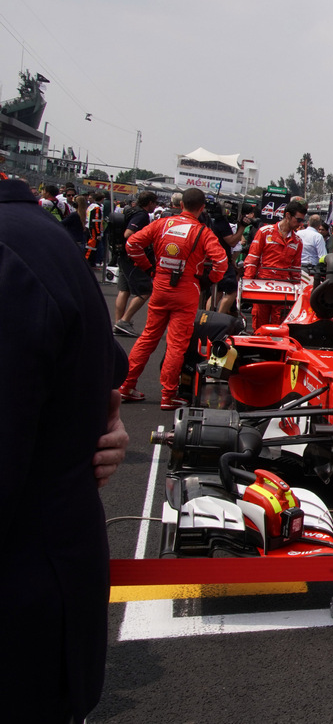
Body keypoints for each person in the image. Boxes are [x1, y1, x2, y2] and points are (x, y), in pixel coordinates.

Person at [0, 175, 129, 724]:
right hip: (49, 588)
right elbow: (109, 376)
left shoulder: (14, 248)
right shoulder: (45, 237)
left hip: (23, 600)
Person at [119, 187, 229, 409]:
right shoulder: (203, 231)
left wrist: (148, 267)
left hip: (160, 284)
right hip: (187, 289)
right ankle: (168, 396)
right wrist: (208, 279)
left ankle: (126, 386)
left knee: (148, 337)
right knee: (176, 345)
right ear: (202, 208)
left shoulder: (162, 224)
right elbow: (221, 262)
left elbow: (131, 244)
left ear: (180, 205)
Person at [243, 200, 306, 330]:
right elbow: (252, 259)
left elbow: (295, 269)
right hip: (262, 284)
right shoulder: (265, 232)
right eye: (298, 220)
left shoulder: (298, 241)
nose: (301, 224)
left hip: (284, 288)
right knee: (260, 322)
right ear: (288, 216)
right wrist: (247, 285)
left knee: (280, 325)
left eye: (302, 221)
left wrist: (297, 290)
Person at [113, 191, 159, 336]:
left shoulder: (130, 209)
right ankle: (124, 321)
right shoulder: (141, 215)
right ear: (150, 203)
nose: (155, 206)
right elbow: (129, 233)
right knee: (145, 290)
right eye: (155, 203)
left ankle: (118, 323)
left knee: (124, 290)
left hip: (122, 254)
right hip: (132, 256)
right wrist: (143, 241)